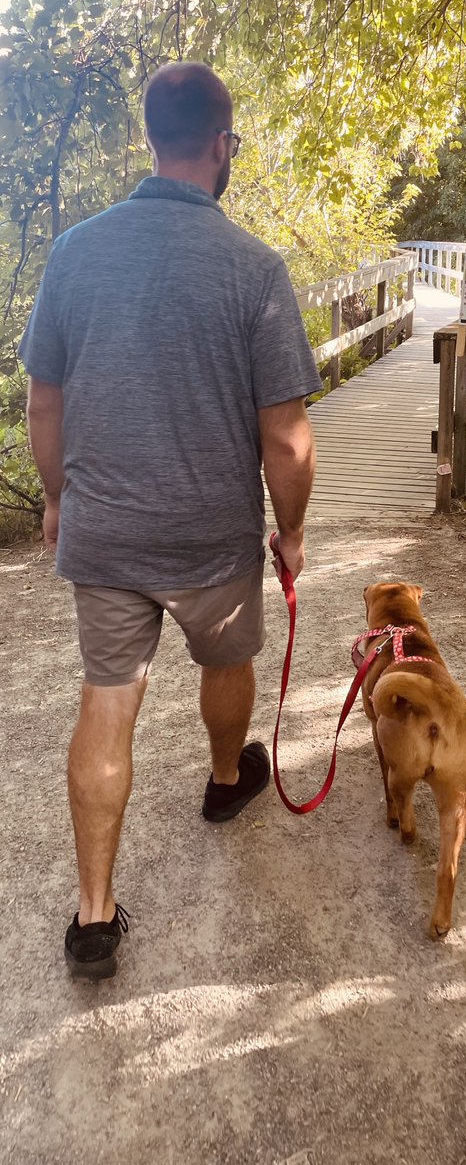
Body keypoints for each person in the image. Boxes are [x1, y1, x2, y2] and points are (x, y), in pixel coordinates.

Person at [21, 62, 321, 980]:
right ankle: (228, 782)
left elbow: (43, 404)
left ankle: (94, 917)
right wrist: (292, 530)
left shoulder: (76, 251)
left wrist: (61, 501)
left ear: (150, 140)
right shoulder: (254, 268)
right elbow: (285, 435)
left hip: (106, 535)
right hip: (211, 536)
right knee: (227, 660)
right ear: (223, 144)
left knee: (106, 706)